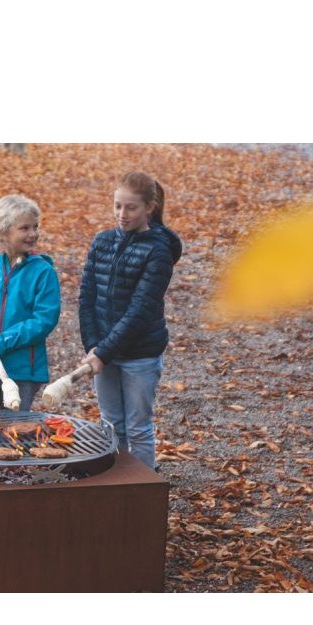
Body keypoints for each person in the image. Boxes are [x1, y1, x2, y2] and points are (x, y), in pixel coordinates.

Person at [78, 172, 183, 469]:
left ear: (149, 207)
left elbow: (141, 309)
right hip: (103, 352)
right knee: (111, 425)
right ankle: (117, 484)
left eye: (131, 207)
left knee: (138, 428)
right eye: (117, 206)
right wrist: (93, 346)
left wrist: (103, 352)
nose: (122, 214)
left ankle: (143, 486)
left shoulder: (158, 251)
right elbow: (86, 297)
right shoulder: (102, 242)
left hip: (140, 355)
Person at [0, 194, 61, 412]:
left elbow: (44, 320)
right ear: (3, 231)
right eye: (24, 228)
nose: (33, 234)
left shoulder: (43, 272)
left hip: (23, 370)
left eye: (35, 227)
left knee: (13, 429)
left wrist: (3, 342)